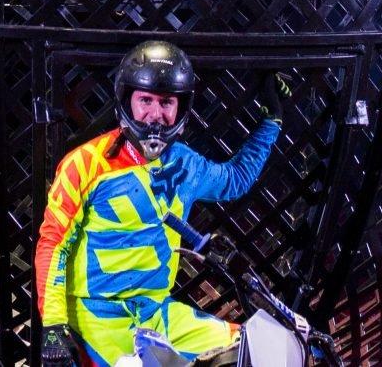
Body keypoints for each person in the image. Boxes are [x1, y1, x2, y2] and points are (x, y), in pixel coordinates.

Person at [36, 42, 285, 367]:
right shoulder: (84, 164)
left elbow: (235, 179)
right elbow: (53, 244)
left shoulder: (185, 164)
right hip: (96, 316)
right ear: (127, 100)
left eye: (166, 102)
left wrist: (272, 122)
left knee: (256, 350)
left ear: (182, 107)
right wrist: (54, 325)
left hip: (156, 312)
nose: (156, 115)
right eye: (146, 101)